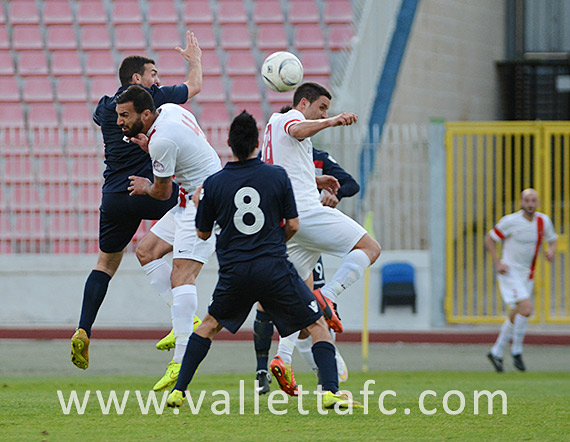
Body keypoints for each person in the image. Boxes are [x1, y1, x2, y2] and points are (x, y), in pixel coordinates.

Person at [166, 111, 361, 410]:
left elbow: (202, 233)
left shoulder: (214, 184)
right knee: (319, 324)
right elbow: (294, 225)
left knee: (208, 326)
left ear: (229, 143)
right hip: (273, 268)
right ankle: (330, 393)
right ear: (257, 143)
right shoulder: (277, 176)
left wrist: (198, 202)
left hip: (235, 272)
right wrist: (271, 244)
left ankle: (179, 391)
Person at [70, 31, 203, 371]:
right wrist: (195, 60)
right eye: (153, 74)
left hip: (114, 196)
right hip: (147, 192)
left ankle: (84, 328)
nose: (157, 80)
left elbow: (104, 119)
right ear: (137, 79)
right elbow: (194, 87)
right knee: (191, 196)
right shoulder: (152, 99)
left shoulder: (105, 108)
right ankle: (183, 311)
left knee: (105, 264)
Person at [261, 82, 381, 396]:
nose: (324, 113)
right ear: (304, 102)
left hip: (289, 221)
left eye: (327, 110)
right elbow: (299, 128)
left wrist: (318, 179)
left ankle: (282, 358)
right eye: (322, 107)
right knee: (370, 247)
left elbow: (284, 167)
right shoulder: (286, 120)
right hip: (307, 213)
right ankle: (328, 294)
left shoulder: (272, 132)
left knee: (299, 301)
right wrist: (331, 121)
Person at [118, 85, 221, 391]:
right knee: (147, 251)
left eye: (125, 115)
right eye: (118, 116)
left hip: (206, 202)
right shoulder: (172, 113)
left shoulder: (161, 140)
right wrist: (149, 148)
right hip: (192, 198)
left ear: (146, 114)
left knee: (182, 275)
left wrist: (143, 185)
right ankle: (185, 322)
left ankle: (180, 361)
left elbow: (161, 192)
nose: (120, 122)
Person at [253, 146, 360, 394]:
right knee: (299, 302)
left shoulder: (317, 158)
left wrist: (335, 194)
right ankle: (289, 366)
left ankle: (290, 361)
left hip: (298, 236)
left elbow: (350, 184)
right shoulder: (269, 157)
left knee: (302, 301)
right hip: (289, 232)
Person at [485, 188, 557, 372]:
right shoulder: (510, 221)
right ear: (521, 202)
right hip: (509, 272)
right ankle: (516, 350)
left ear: (537, 203)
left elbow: (553, 240)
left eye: (533, 200)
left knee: (517, 311)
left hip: (528, 274)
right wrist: (497, 262)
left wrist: (551, 251)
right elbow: (490, 239)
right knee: (527, 308)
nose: (530, 204)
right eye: (527, 200)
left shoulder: (543, 221)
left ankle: (497, 351)